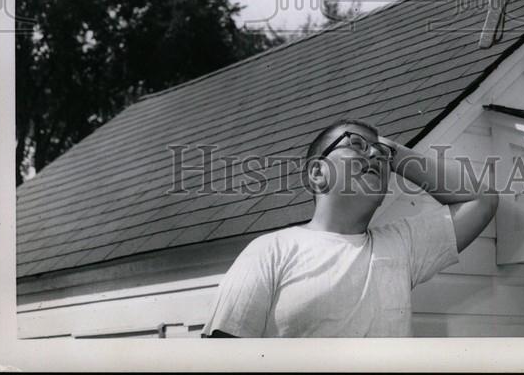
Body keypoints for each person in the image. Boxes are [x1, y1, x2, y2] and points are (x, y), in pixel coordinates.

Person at [202, 117, 498, 337]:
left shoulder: (402, 247)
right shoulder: (270, 251)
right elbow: (221, 355)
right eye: (356, 145)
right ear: (318, 172)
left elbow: (482, 201)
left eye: (381, 155)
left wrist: (393, 151)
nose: (374, 156)